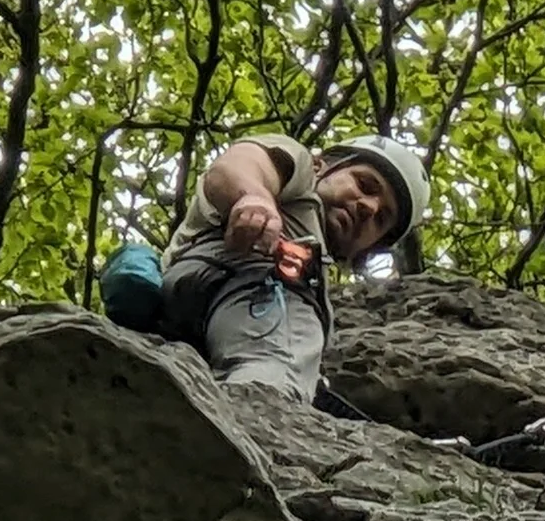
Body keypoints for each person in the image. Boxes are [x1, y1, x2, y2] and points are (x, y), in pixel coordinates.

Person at [160, 132, 428, 402]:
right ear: (320, 165)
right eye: (365, 185)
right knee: (273, 382)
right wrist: (254, 198)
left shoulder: (316, 264)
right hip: (258, 293)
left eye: (381, 219)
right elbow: (237, 164)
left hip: (180, 299)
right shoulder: (299, 168)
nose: (369, 207)